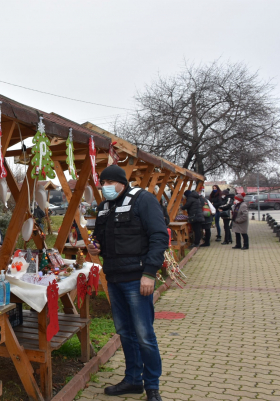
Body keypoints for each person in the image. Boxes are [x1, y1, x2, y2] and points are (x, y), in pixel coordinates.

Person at [86, 165, 167, 401]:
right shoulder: (104, 207)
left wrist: (149, 273)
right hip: (114, 278)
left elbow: (159, 236)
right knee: (125, 333)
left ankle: (152, 386)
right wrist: (95, 246)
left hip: (137, 279)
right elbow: (99, 237)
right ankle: (133, 380)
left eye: (110, 182)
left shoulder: (143, 200)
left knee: (144, 335)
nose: (106, 187)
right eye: (103, 183)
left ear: (122, 182)